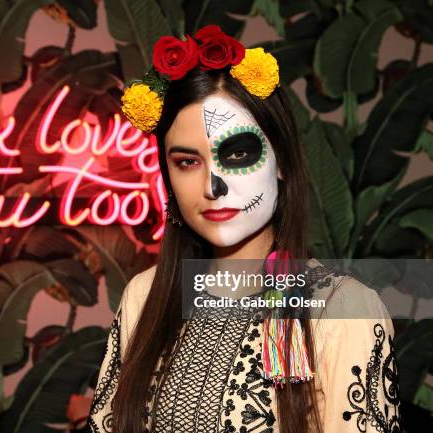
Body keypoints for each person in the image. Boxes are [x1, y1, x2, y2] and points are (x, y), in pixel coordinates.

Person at [86, 25, 401, 433]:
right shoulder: (144, 297)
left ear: (281, 161)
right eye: (187, 162)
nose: (212, 186)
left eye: (236, 153)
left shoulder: (344, 309)